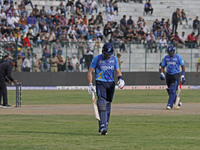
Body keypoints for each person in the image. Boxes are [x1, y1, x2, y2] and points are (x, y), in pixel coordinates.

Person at [87, 43, 125, 135]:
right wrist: (90, 84)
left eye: (109, 54)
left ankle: (105, 125)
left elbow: (118, 71)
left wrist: (120, 79)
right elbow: (90, 71)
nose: (108, 56)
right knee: (102, 102)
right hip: (100, 82)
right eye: (106, 54)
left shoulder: (114, 59)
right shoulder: (97, 59)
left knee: (108, 104)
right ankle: (103, 126)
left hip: (111, 84)